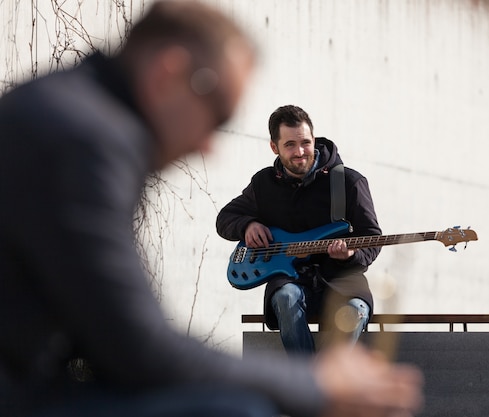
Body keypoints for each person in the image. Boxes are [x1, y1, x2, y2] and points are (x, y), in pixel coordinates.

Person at [0, 1, 423, 417]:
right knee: (240, 409)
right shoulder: (86, 143)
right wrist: (313, 385)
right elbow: (141, 349)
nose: (208, 146)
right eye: (216, 114)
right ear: (169, 73)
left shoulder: (65, 108)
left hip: (33, 384)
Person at [216, 105, 382, 356]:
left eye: (305, 142)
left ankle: (324, 381)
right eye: (290, 144)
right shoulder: (263, 184)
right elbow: (225, 218)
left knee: (355, 310)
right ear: (275, 147)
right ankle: (307, 383)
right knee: (285, 296)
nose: (300, 152)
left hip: (343, 281)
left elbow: (372, 239)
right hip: (290, 279)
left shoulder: (348, 182)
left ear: (314, 140)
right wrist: (247, 225)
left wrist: (352, 254)